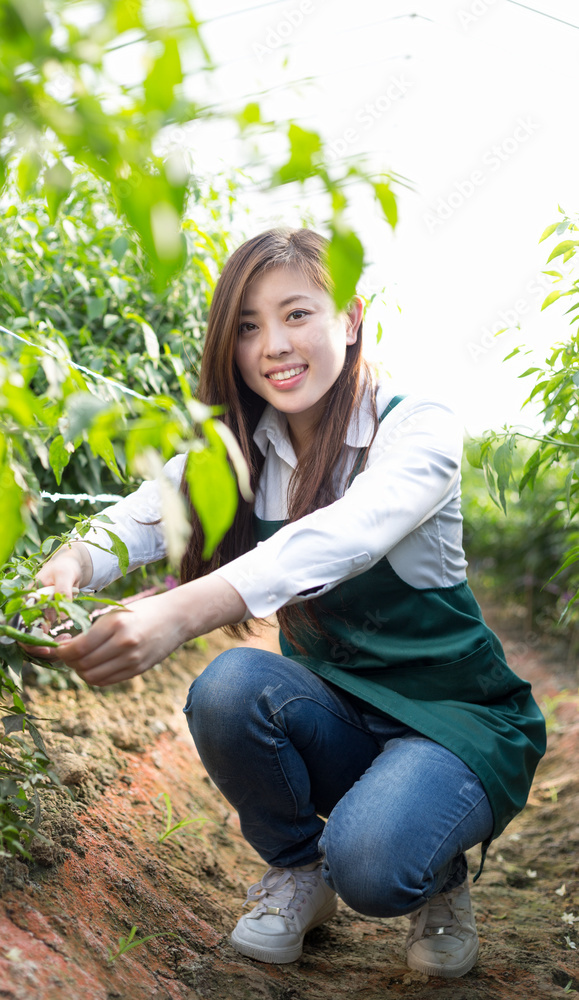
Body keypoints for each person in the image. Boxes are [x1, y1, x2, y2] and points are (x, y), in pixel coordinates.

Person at [31, 228, 546, 979]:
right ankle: (298, 870)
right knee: (229, 687)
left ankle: (436, 871)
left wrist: (180, 613)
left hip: (452, 725)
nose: (272, 344)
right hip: (335, 715)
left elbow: (345, 534)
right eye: (247, 326)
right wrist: (69, 562)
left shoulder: (414, 427)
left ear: (349, 318)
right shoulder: (245, 450)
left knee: (373, 866)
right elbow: (143, 514)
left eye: (296, 314)